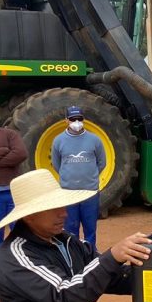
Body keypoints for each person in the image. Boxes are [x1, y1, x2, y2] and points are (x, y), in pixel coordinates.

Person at [0, 169, 152, 302]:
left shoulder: (66, 241)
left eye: (62, 205)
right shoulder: (14, 257)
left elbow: (113, 277)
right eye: (53, 208)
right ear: (29, 216)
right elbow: (66, 295)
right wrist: (112, 257)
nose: (64, 213)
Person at [51, 105, 106, 247]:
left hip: (90, 192)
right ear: (66, 120)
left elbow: (102, 162)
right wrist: (68, 178)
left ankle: (90, 255)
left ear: (84, 119)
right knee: (70, 230)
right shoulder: (58, 141)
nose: (76, 122)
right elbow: (56, 164)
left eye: (79, 119)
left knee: (90, 229)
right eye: (73, 119)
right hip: (68, 193)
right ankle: (73, 255)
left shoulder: (94, 140)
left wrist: (90, 177)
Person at [0, 99, 27, 261]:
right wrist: (3, 151)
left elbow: (20, 153)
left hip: (13, 192)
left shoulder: (9, 134)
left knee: (20, 233)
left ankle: (21, 266)